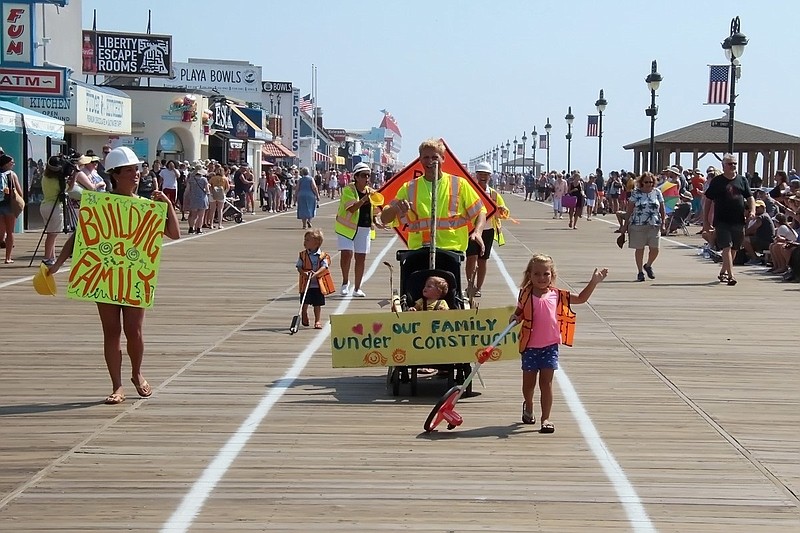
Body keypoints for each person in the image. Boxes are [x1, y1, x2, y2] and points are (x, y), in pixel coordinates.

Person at [47, 146, 180, 404]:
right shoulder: (101, 203)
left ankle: (137, 374)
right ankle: (117, 385)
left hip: (134, 275)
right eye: (129, 170)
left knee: (135, 331)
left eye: (136, 169)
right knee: (111, 332)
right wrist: (57, 265)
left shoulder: (147, 205)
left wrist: (167, 205)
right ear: (115, 175)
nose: (136, 174)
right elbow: (78, 238)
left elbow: (174, 234)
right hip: (104, 274)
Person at [510, 254, 608, 433]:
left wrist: (593, 282)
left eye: (546, 274)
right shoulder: (525, 293)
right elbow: (520, 311)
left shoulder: (557, 295)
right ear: (529, 275)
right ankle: (529, 405)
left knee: (546, 383)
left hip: (550, 346)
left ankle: (545, 418)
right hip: (530, 346)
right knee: (528, 384)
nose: (541, 278)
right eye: (537, 274)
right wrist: (515, 317)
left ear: (552, 275)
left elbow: (580, 299)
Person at [380, 138, 487, 254]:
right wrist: (396, 208)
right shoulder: (409, 188)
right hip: (419, 251)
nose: (430, 161)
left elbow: (480, 211)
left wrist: (478, 232)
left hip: (451, 251)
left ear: (443, 158)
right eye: (426, 157)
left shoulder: (459, 184)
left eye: (435, 157)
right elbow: (384, 219)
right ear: (420, 159)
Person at [703, 153, 755, 285]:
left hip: (738, 220)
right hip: (722, 220)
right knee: (726, 246)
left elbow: (750, 197)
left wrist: (752, 210)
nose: (733, 166)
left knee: (734, 248)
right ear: (723, 165)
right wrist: (706, 220)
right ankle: (731, 276)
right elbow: (708, 200)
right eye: (730, 164)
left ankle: (723, 271)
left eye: (734, 164)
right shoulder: (717, 181)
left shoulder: (742, 180)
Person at [336, 162, 380, 297]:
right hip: (346, 228)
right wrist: (363, 200)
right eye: (363, 175)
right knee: (347, 254)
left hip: (364, 228)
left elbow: (376, 211)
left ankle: (357, 288)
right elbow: (351, 208)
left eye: (368, 175)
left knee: (361, 258)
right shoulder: (349, 190)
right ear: (356, 177)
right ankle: (345, 283)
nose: (367, 178)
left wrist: (378, 222)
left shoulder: (372, 192)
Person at [465, 161, 508, 297]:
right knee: (471, 258)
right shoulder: (470, 191)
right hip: (472, 230)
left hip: (488, 230)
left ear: (490, 176)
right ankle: (470, 285)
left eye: (486, 174)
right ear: (476, 175)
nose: (483, 177)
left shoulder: (494, 194)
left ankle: (479, 287)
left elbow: (505, 213)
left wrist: (500, 210)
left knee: (483, 260)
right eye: (481, 174)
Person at [620, 172, 666, 282]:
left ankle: (648, 265)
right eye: (646, 182)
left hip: (654, 224)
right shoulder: (636, 193)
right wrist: (624, 226)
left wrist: (663, 223)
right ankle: (640, 272)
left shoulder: (657, 192)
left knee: (655, 249)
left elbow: (662, 210)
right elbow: (629, 210)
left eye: (651, 182)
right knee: (639, 249)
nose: (649, 184)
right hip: (638, 224)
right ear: (641, 182)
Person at [295, 228, 334, 329]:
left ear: (316, 243)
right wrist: (304, 273)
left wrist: (315, 274)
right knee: (304, 302)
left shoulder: (322, 255)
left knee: (317, 304)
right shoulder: (302, 255)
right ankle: (304, 313)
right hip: (305, 284)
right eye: (305, 240)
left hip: (318, 285)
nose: (305, 242)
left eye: (308, 240)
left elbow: (325, 266)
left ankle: (317, 320)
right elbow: (299, 267)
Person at [38, 156, 72, 266]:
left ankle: (52, 257)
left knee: (51, 233)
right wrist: (74, 175)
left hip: (45, 205)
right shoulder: (58, 181)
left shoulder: (45, 177)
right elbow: (69, 189)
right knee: (52, 235)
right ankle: (48, 258)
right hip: (55, 207)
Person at [0, 154, 23, 263]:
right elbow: (20, 192)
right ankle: (8, 258)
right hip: (9, 206)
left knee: (0, 233)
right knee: (9, 233)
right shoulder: (12, 175)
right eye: (11, 162)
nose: (13, 164)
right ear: (6, 163)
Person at [743, 200, 775, 265]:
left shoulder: (762, 217)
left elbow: (751, 229)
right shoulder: (763, 217)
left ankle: (755, 259)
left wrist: (742, 234)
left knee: (744, 240)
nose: (756, 209)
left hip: (765, 241)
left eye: (758, 208)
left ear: (763, 207)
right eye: (755, 208)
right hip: (762, 240)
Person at [185, 165, 210, 234]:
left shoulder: (191, 179)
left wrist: (186, 197)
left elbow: (187, 189)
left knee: (193, 215)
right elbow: (207, 190)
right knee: (201, 215)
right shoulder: (204, 179)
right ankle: (199, 229)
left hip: (193, 198)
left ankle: (191, 228)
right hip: (202, 198)